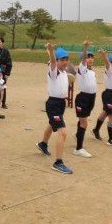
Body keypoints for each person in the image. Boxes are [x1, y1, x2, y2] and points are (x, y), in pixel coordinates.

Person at [36, 44, 73, 174]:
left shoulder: (64, 72)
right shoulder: (54, 72)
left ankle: (43, 144)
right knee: (63, 132)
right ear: (56, 61)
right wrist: (51, 50)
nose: (65, 62)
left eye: (66, 60)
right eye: (62, 60)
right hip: (53, 104)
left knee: (52, 124)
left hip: (61, 103)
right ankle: (58, 163)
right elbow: (52, 62)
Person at [92, 51, 112, 148]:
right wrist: (105, 56)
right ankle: (111, 139)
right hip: (110, 95)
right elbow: (107, 64)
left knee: (105, 113)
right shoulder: (110, 71)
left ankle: (96, 130)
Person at [73, 40, 97, 158]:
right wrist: (85, 47)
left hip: (91, 98)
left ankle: (78, 134)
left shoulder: (92, 72)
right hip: (83, 98)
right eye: (88, 57)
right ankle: (78, 148)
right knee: (84, 123)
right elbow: (83, 60)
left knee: (83, 119)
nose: (90, 59)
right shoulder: (82, 69)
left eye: (92, 57)